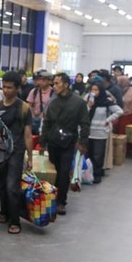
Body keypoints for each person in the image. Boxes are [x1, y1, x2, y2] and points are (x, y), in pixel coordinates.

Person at [39, 72, 89, 215]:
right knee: (53, 171)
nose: (54, 87)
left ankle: (61, 202)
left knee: (64, 171)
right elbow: (46, 123)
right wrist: (42, 142)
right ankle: (51, 197)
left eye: (57, 84)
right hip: (52, 142)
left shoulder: (79, 102)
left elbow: (85, 124)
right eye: (53, 84)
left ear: (66, 85)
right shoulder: (52, 102)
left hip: (69, 143)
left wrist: (82, 142)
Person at [0, 71, 33, 234]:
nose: (6, 90)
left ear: (18, 88)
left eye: (10, 88)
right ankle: (4, 212)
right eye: (5, 87)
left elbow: (28, 134)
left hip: (16, 151)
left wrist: (30, 157)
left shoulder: (24, 108)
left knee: (12, 186)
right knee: (1, 185)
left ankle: (15, 220)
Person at [86, 79, 123, 183]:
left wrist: (108, 120)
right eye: (92, 89)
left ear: (101, 91)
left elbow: (119, 111)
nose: (94, 92)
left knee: (98, 155)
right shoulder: (88, 101)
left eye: (96, 90)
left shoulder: (107, 102)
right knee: (89, 154)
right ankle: (88, 174)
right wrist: (89, 106)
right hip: (89, 132)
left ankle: (97, 174)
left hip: (100, 132)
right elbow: (84, 114)